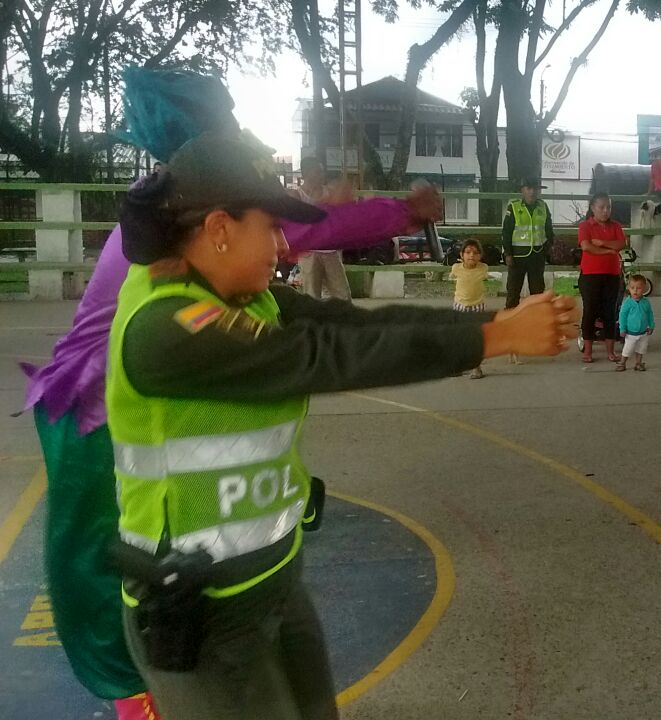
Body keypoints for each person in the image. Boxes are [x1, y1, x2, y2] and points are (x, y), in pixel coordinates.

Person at [21, 67, 452, 720]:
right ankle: (144, 699)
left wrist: (337, 204)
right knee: (111, 568)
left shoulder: (174, 200)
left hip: (132, 401)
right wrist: (400, 211)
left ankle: (150, 692)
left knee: (129, 562)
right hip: (94, 410)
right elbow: (300, 231)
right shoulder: (185, 217)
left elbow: (290, 225)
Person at [107, 131, 575, 720]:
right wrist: (494, 339)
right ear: (220, 229)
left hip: (273, 581)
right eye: (271, 227)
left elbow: (352, 327)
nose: (284, 247)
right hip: (199, 608)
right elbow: (324, 355)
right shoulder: (166, 325)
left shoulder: (248, 300)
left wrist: (495, 318)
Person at [292, 157, 351, 301]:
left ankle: (347, 321)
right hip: (309, 252)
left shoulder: (330, 192)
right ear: (306, 173)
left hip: (331, 250)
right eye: (317, 171)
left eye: (322, 172)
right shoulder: (297, 195)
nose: (321, 175)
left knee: (342, 294)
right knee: (311, 295)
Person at [577, 192, 625, 364]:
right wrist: (609, 251)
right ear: (593, 208)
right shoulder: (585, 226)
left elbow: (621, 244)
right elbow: (587, 247)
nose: (605, 211)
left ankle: (610, 351)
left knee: (609, 312)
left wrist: (602, 243)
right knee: (590, 312)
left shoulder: (616, 226)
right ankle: (588, 351)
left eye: (608, 207)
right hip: (590, 275)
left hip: (611, 275)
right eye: (601, 207)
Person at [502, 178, 556, 309]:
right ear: (522, 190)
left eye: (535, 189)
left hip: (537, 256)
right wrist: (508, 254)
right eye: (528, 188)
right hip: (517, 256)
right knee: (513, 291)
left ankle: (535, 322)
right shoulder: (514, 207)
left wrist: (548, 249)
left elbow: (549, 229)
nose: (532, 192)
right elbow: (507, 232)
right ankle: (510, 322)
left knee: (537, 293)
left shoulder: (543, 206)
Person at [450, 239, 491, 379]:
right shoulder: (456, 268)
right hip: (460, 305)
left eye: (475, 253)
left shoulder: (483, 268)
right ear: (462, 255)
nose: (471, 256)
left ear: (480, 256)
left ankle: (476, 367)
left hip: (477, 306)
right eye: (467, 252)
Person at [617, 274, 655, 371]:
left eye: (638, 288)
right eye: (632, 288)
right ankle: (622, 363)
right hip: (630, 333)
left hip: (643, 332)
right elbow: (622, 316)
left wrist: (651, 325)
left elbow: (650, 314)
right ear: (628, 288)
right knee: (627, 349)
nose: (635, 290)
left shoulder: (646, 302)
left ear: (644, 289)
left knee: (641, 349)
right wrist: (622, 328)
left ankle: (638, 363)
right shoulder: (628, 303)